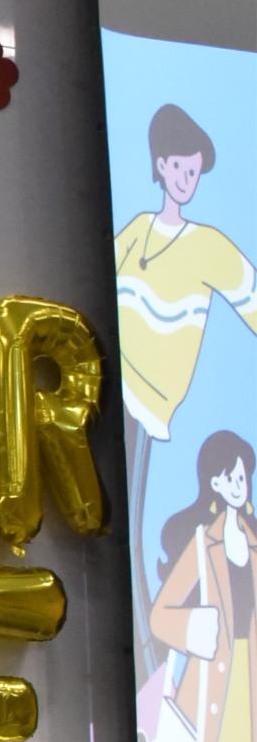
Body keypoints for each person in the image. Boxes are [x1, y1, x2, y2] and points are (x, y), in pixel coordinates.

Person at [112, 104, 257, 667]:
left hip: (150, 403)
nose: (185, 180)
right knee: (121, 518)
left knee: (134, 523)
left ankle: (153, 650)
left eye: (193, 171)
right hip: (109, 385)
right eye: (177, 168)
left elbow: (249, 297)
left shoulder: (208, 245)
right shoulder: (138, 231)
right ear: (159, 166)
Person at [139, 429, 256, 742]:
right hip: (212, 689)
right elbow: (161, 615)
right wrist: (196, 630)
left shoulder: (254, 540)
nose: (240, 484)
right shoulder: (203, 544)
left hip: (249, 685)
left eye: (244, 475)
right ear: (214, 482)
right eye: (232, 476)